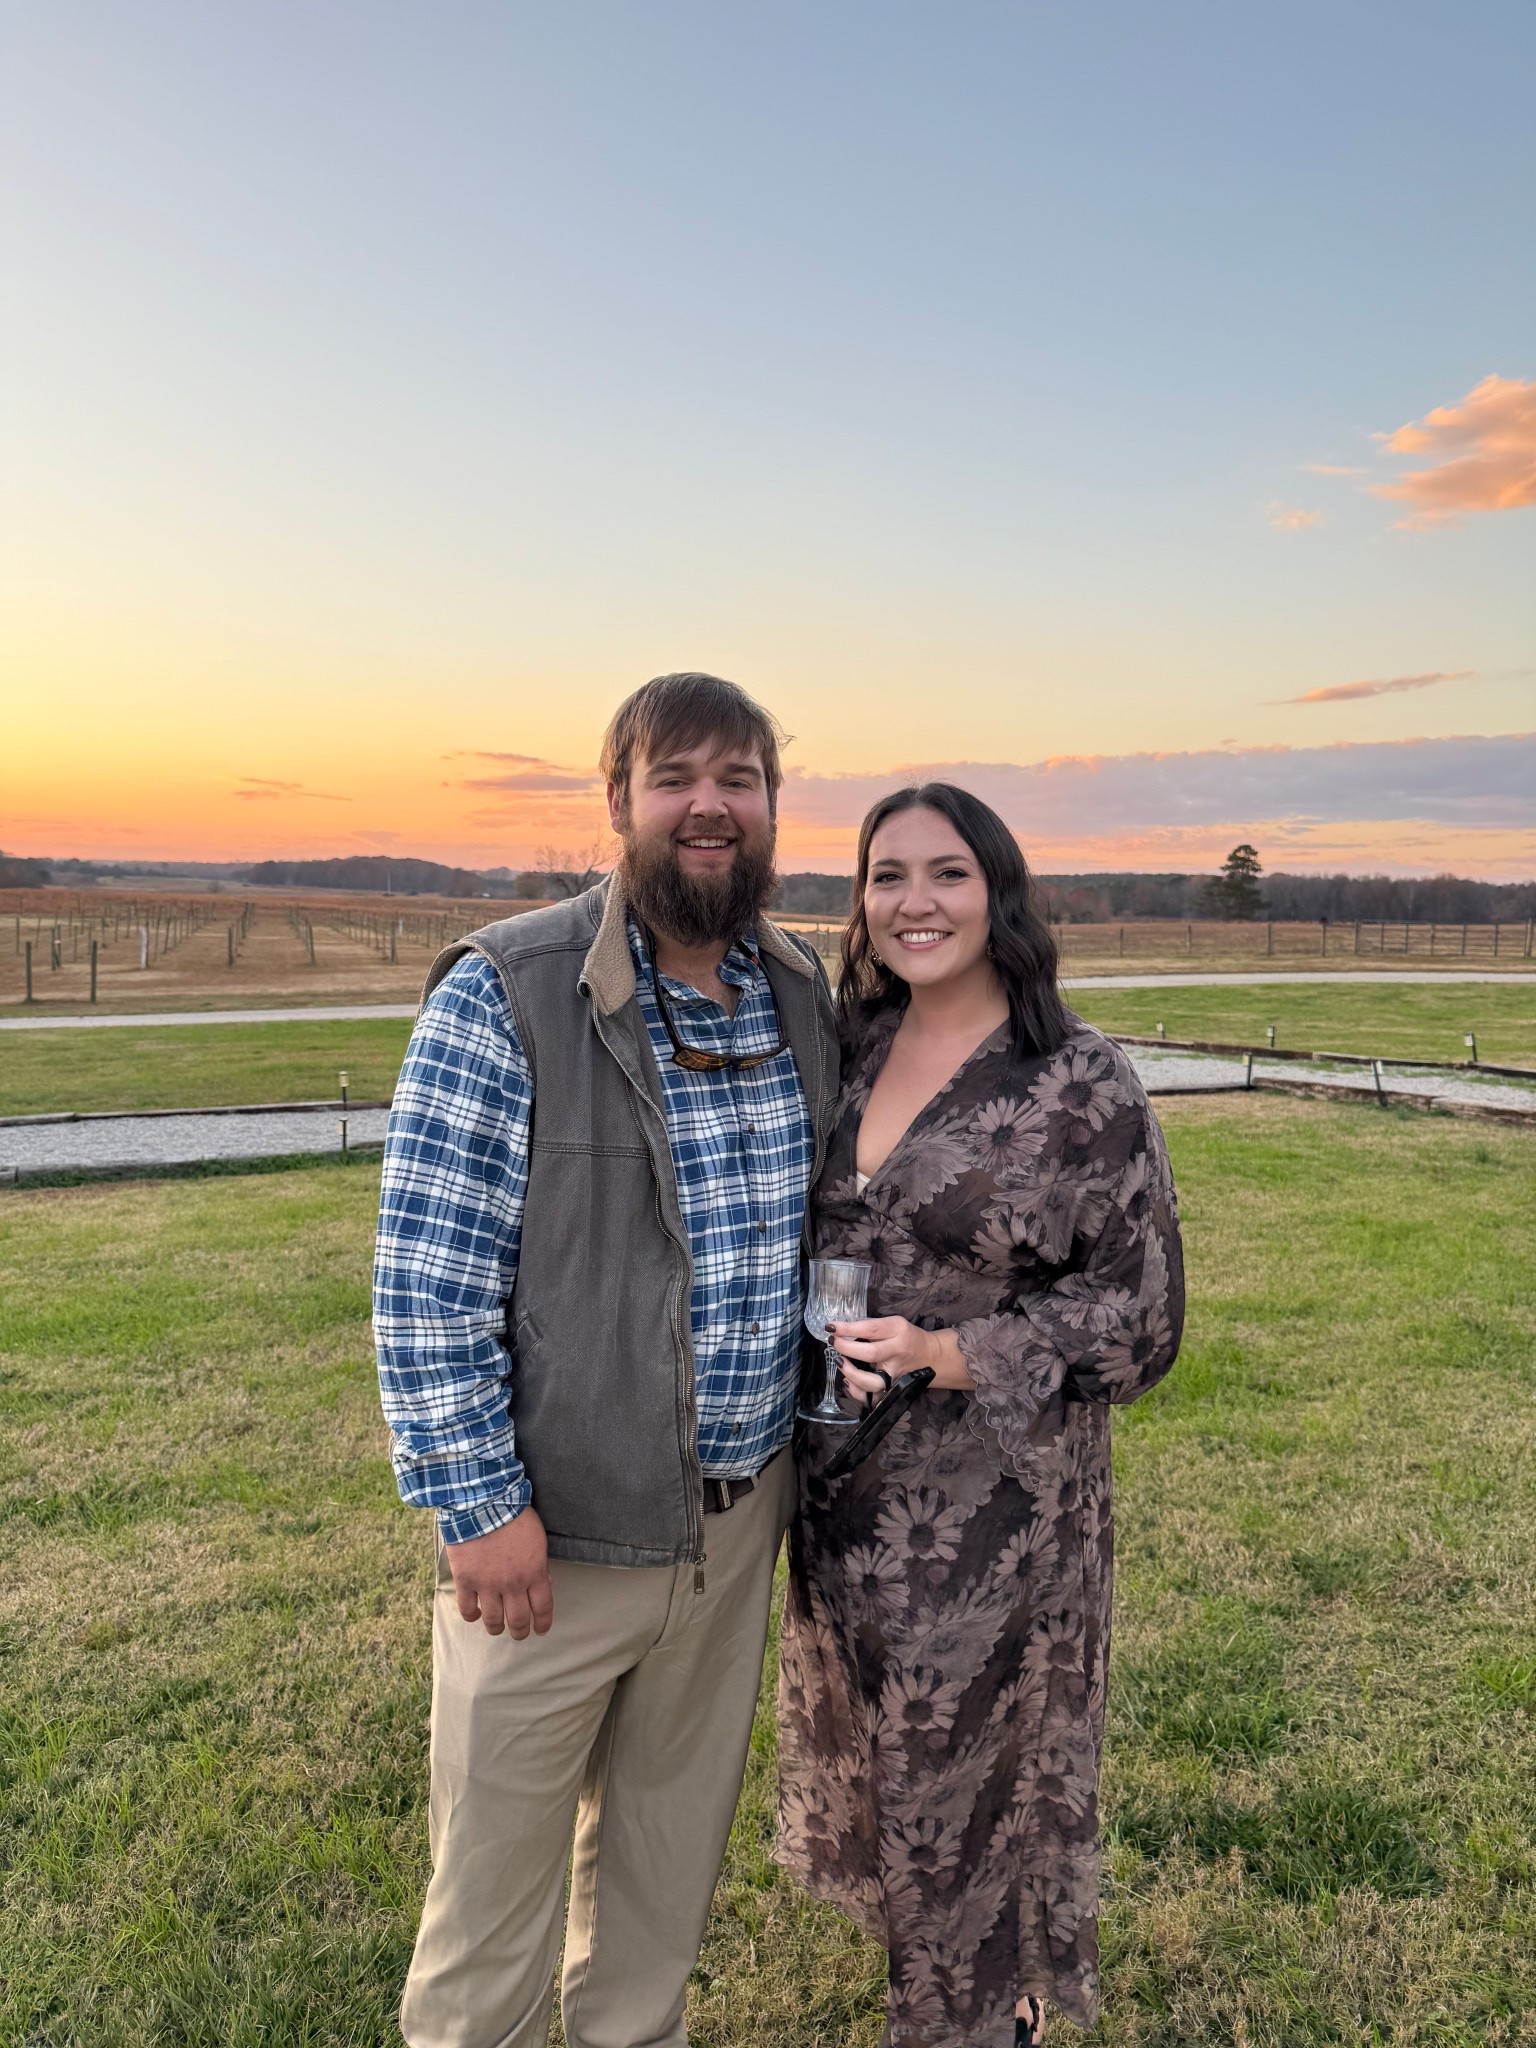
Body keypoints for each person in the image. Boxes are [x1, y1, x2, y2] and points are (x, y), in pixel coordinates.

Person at [373, 672, 839, 2048]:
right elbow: (426, 1282)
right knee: (490, 1913)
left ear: (769, 807)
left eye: (740, 779)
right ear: (620, 803)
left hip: (735, 1526)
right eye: (677, 777)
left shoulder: (800, 994)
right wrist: (482, 1507)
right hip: (552, 1543)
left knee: (658, 1888)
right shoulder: (509, 991)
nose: (711, 806)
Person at [775, 784, 1184, 2048]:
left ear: (998, 889)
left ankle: (980, 2021)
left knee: (974, 1785)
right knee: (900, 1783)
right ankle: (957, 1996)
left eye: (945, 872)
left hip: (996, 1509)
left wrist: (954, 1349)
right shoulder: (844, 1044)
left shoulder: (1077, 1079)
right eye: (885, 874)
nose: (915, 901)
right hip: (845, 1495)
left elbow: (1143, 1314)